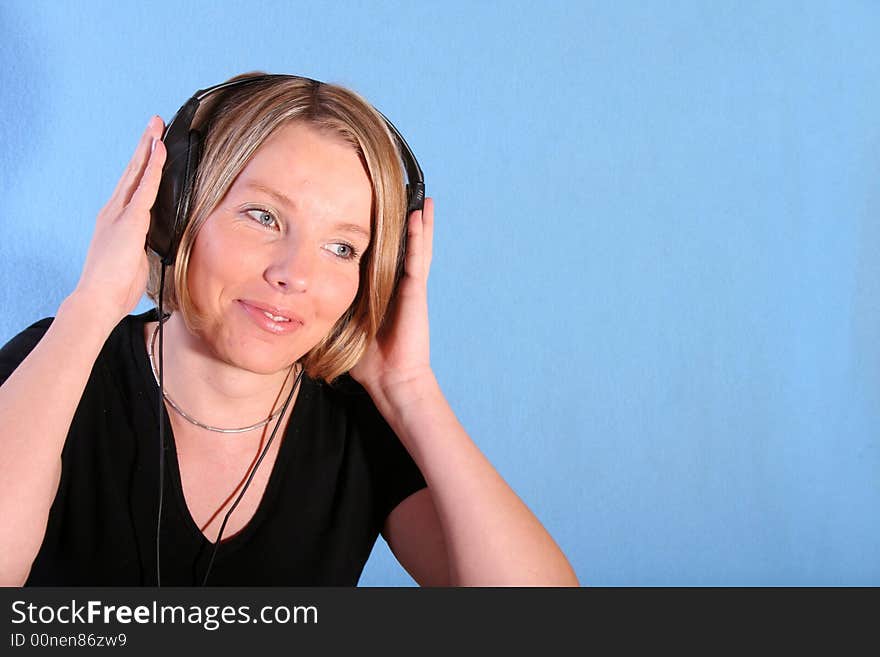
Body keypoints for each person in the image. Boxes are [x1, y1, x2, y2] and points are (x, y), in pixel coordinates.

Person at [0, 73, 578, 586]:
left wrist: (410, 391)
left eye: (341, 247)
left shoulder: (357, 424)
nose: (294, 275)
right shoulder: (54, 365)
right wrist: (91, 306)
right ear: (175, 213)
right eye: (263, 216)